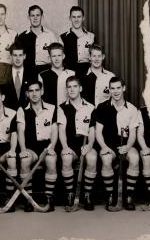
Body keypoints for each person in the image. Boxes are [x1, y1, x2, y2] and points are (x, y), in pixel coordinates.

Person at [95, 77, 140, 211]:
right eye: (112, 88)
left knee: (134, 158)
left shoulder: (132, 109)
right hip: (108, 144)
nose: (115, 91)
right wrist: (104, 147)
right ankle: (110, 196)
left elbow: (133, 134)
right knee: (106, 159)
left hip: (126, 143)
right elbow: (98, 132)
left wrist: (127, 147)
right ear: (109, 90)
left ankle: (129, 197)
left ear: (124, 88)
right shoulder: (102, 107)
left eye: (118, 88)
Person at [16, 80, 58, 211]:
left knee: (51, 160)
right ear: (27, 94)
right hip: (30, 148)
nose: (34, 93)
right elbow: (20, 131)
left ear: (42, 91)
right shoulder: (22, 110)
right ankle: (28, 199)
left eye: (37, 90)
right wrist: (23, 149)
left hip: (47, 146)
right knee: (24, 160)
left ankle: (48, 198)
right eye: (31, 91)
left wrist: (51, 147)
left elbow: (54, 131)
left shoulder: (52, 108)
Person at [57, 76, 97, 210]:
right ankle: (69, 194)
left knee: (92, 158)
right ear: (66, 90)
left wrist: (89, 145)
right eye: (69, 87)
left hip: (86, 144)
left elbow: (92, 131)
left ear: (80, 88)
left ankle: (87, 195)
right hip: (70, 145)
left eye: (75, 86)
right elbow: (61, 131)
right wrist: (65, 147)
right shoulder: (62, 108)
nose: (72, 89)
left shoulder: (90, 107)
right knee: (66, 158)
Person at [15, 5, 63, 75]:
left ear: (42, 17)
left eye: (38, 15)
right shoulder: (22, 37)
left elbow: (58, 55)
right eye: (32, 15)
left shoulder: (50, 35)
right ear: (28, 17)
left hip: (47, 72)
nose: (35, 18)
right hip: (28, 72)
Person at [60, 6, 95, 77]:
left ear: (83, 18)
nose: (76, 20)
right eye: (74, 17)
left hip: (87, 73)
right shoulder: (62, 37)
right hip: (70, 74)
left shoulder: (91, 36)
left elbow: (95, 56)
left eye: (79, 17)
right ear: (70, 18)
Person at [0, 43, 33, 110]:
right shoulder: (3, 74)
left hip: (27, 113)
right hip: (9, 114)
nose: (17, 58)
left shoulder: (31, 74)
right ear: (10, 56)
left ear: (24, 56)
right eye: (15, 55)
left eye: (20, 55)